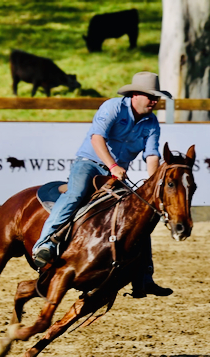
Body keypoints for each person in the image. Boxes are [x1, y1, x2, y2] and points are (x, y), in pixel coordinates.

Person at [32, 71, 173, 298]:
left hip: (115, 173)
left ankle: (145, 276)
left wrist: (153, 186)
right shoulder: (113, 107)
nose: (155, 102)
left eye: (157, 98)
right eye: (151, 97)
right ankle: (45, 244)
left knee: (140, 213)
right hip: (89, 163)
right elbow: (97, 138)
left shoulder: (152, 122)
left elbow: (152, 156)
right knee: (75, 194)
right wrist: (113, 166)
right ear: (136, 94)